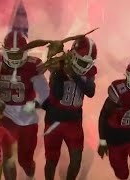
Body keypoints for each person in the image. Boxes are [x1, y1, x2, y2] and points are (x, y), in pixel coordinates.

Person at [0, 30, 49, 180]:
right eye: (11, 54)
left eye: (18, 54)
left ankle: (29, 174)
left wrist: (34, 104)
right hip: (5, 116)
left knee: (25, 160)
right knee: (8, 156)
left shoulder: (34, 66)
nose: (14, 58)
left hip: (27, 117)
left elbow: (44, 91)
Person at [42, 36, 97, 180]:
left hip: (74, 121)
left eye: (86, 63)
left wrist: (75, 76)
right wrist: (60, 72)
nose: (83, 66)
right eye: (80, 61)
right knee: (51, 160)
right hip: (54, 120)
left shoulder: (89, 71)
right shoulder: (58, 67)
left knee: (76, 160)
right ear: (72, 54)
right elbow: (58, 94)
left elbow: (90, 92)